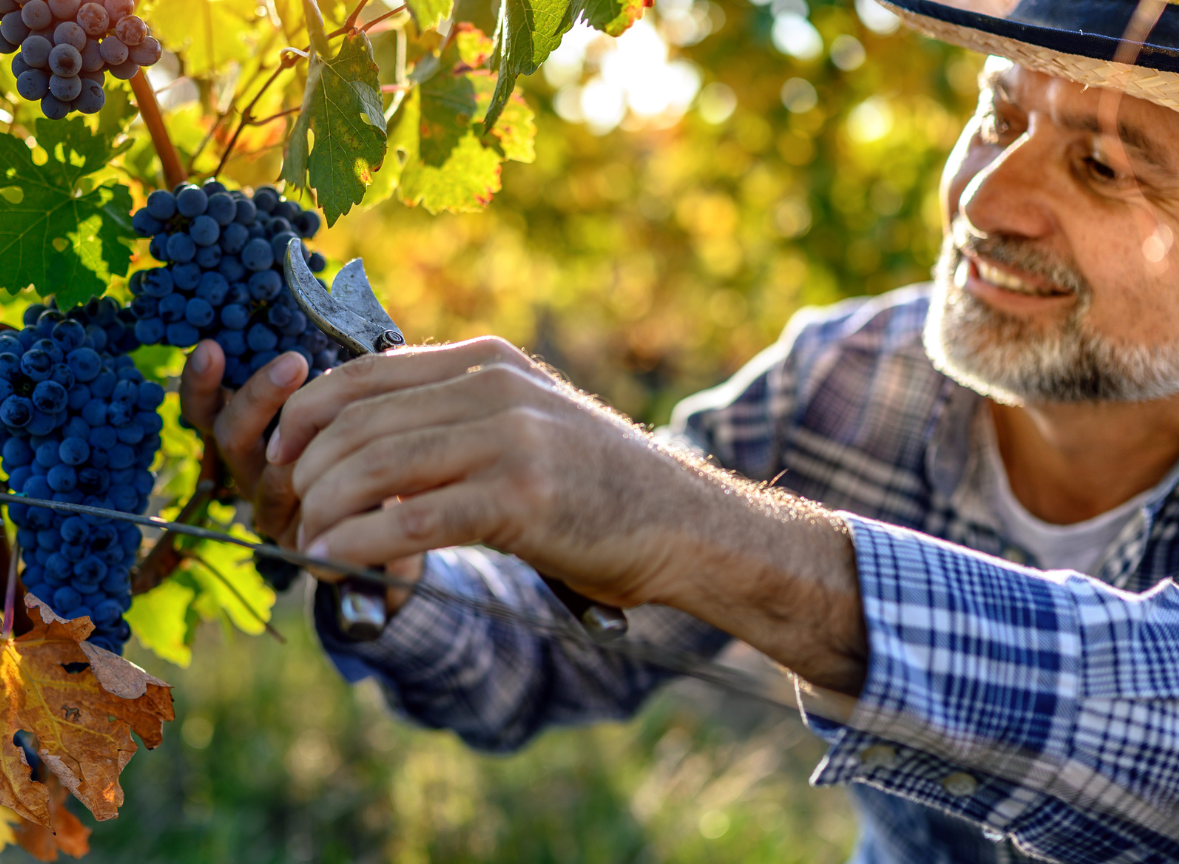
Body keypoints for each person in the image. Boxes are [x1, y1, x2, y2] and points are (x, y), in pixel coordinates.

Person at [178, 1, 1179, 861]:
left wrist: (706, 529)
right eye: (998, 111)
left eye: (1101, 167)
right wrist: (388, 560)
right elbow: (549, 651)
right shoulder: (845, 379)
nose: (988, 198)